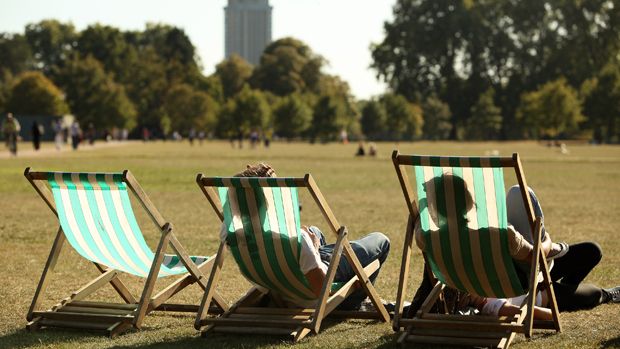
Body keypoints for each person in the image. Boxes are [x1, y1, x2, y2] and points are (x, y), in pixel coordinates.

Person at [407, 174, 619, 317]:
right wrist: (546, 241)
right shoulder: (498, 233)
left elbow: (419, 221)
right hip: (526, 285)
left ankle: (555, 285)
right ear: (470, 201)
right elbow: (536, 256)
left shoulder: (426, 238)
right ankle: (578, 290)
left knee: (592, 251)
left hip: (519, 278)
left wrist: (426, 204)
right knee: (594, 290)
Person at [222, 163, 391, 310]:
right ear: (271, 200)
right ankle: (356, 302)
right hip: (311, 294)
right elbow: (321, 290)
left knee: (315, 230)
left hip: (282, 284)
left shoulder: (229, 233)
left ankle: (318, 248)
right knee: (380, 240)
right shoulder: (296, 238)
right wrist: (314, 247)